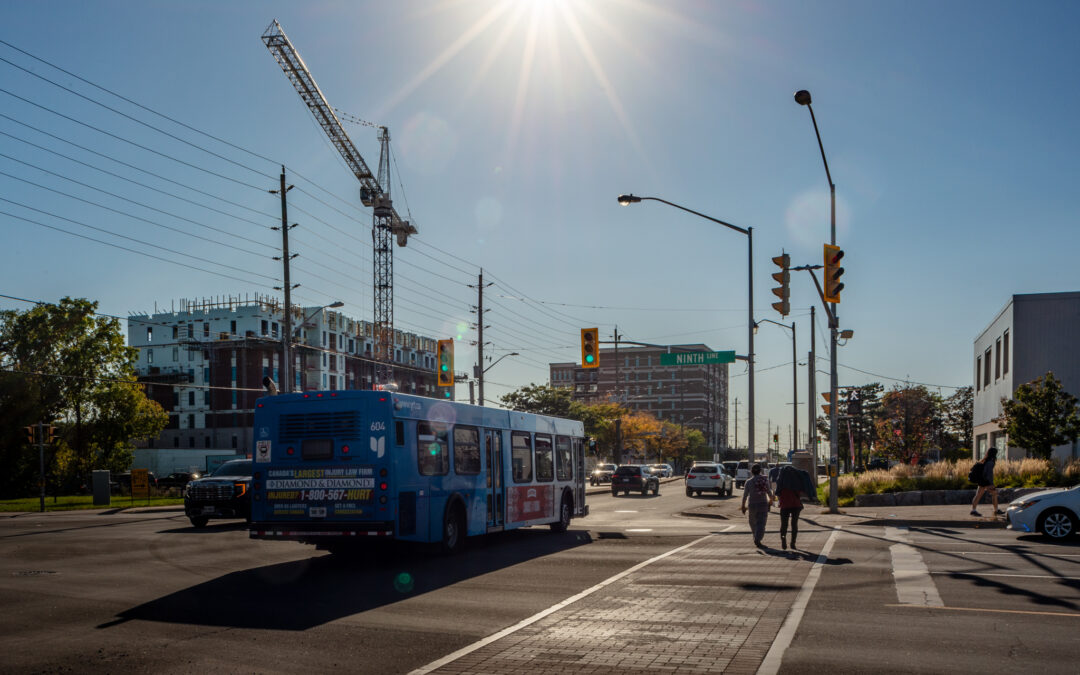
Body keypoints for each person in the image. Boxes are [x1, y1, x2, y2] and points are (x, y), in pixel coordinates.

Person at [740, 463, 775, 548]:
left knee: (752, 522)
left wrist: (743, 506)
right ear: (760, 471)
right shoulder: (764, 480)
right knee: (761, 523)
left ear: (752, 472)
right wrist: (771, 500)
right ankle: (758, 538)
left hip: (752, 505)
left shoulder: (748, 482)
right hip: (763, 504)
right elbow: (769, 492)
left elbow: (745, 495)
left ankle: (756, 536)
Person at [775, 465, 809, 550]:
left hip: (784, 505)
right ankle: (793, 543)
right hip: (796, 505)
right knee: (794, 524)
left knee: (784, 524)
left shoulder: (781, 482)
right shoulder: (796, 482)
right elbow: (802, 491)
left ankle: (783, 539)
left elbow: (777, 493)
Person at [970, 447, 1002, 517]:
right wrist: (991, 484)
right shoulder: (991, 462)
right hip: (986, 481)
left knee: (978, 495)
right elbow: (989, 474)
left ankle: (973, 510)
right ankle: (996, 510)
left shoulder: (984, 460)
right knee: (994, 494)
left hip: (982, 480)